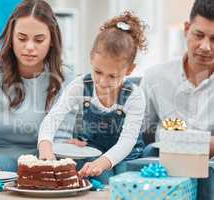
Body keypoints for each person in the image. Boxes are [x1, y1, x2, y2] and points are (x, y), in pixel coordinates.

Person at [0, 0, 73, 171]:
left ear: (51, 40)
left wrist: (47, 161)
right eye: (22, 38)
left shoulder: (66, 77)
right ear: (11, 37)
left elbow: (61, 138)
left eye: (39, 40)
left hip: (41, 160)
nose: (29, 47)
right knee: (4, 163)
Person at [38, 11, 147, 184]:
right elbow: (53, 117)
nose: (103, 82)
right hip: (92, 150)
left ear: (130, 70)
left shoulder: (134, 96)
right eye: (98, 72)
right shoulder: (81, 84)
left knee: (121, 180)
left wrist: (102, 163)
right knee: (92, 179)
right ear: (91, 58)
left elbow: (126, 142)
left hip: (126, 155)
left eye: (113, 76)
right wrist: (45, 146)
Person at [141, 0, 214, 157]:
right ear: (187, 29)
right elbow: (133, 131)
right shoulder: (155, 77)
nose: (205, 47)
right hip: (162, 166)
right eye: (199, 35)